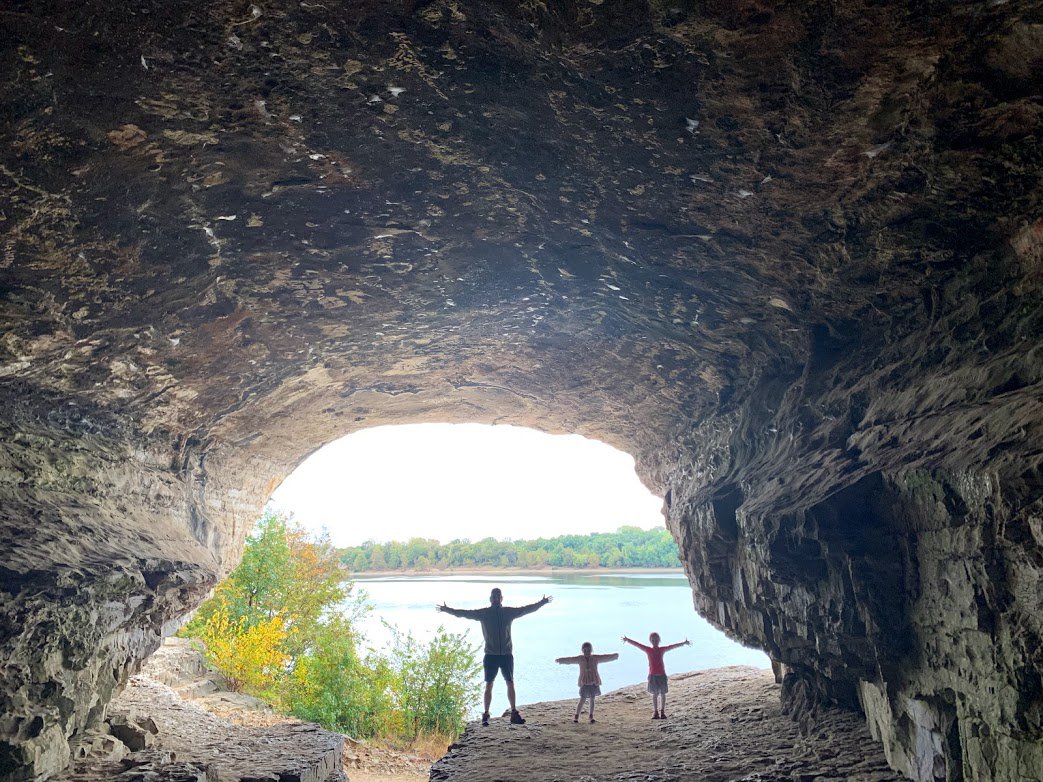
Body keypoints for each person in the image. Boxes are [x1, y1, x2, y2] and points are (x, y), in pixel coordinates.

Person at [437, 588, 552, 726]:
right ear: (490, 599)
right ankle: (486, 715)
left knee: (510, 682)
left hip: (506, 655)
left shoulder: (508, 612)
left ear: (501, 598)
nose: (496, 599)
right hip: (491, 655)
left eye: (498, 596)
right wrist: (447, 609)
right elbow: (464, 613)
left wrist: (542, 602)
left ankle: (514, 713)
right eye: (494, 597)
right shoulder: (484, 613)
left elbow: (527, 609)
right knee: (489, 685)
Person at [621, 632, 690, 719]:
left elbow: (672, 646)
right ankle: (655, 712)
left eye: (656, 640)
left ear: (659, 640)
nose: (655, 641)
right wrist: (627, 640)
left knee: (663, 694)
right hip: (653, 675)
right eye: (653, 640)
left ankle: (662, 712)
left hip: (662, 675)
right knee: (655, 694)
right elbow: (637, 645)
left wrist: (683, 643)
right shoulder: (648, 649)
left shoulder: (662, 649)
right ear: (651, 641)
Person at [554, 642, 618, 723]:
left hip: (594, 681)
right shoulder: (580, 659)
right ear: (582, 650)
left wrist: (614, 656)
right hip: (584, 681)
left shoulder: (595, 658)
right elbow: (570, 659)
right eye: (585, 650)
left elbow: (605, 657)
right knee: (582, 699)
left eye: (588, 650)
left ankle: (591, 716)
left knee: (592, 699)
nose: (587, 652)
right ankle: (576, 716)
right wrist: (561, 660)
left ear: (591, 650)